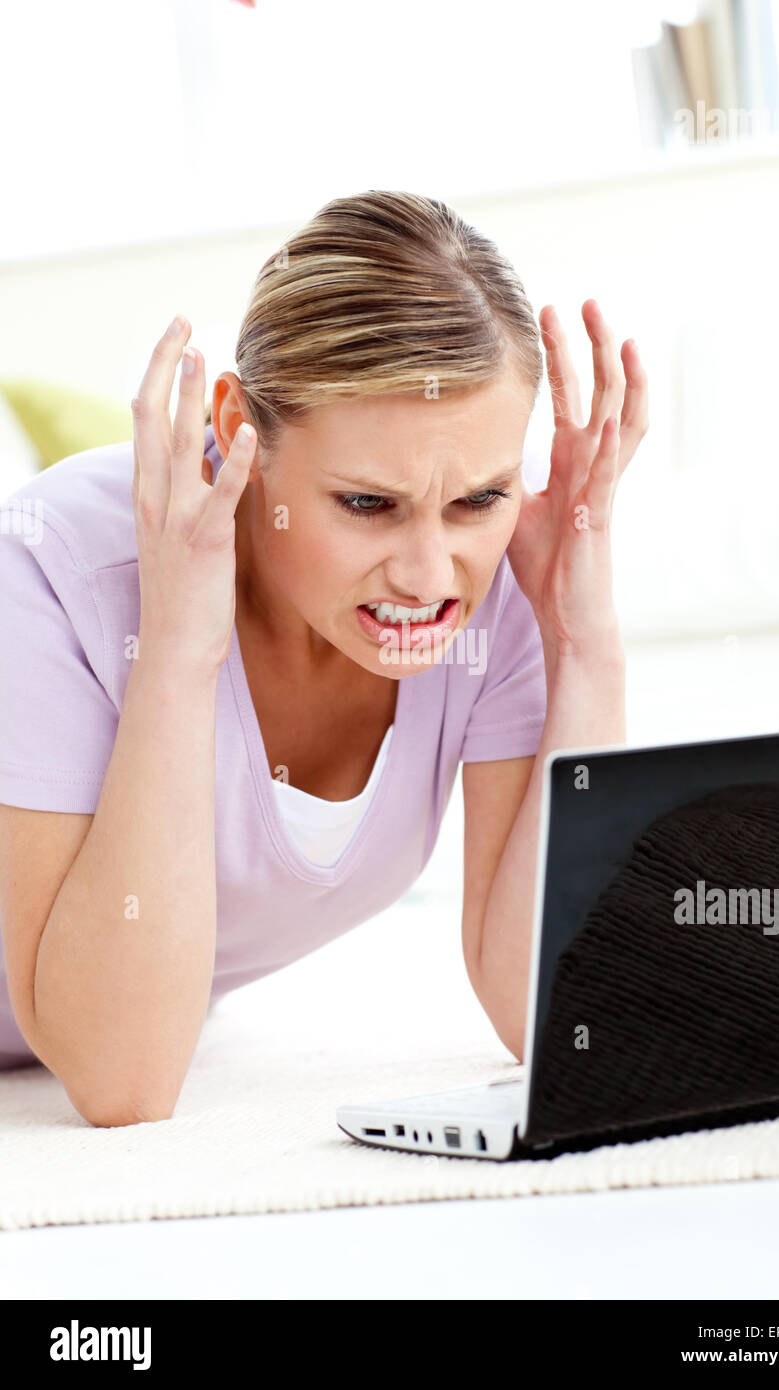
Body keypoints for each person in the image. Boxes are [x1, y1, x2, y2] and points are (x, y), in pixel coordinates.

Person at [0, 190, 647, 1126]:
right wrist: (181, 649)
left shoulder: (494, 591)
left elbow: (553, 1011)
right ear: (235, 433)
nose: (429, 575)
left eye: (479, 498)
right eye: (367, 505)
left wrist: (584, 644)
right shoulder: (54, 567)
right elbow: (122, 1079)